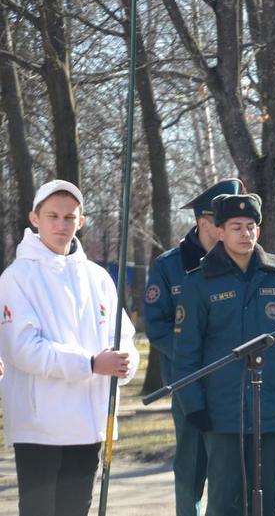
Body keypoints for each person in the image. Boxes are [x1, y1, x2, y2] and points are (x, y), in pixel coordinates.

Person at [0, 179, 140, 516]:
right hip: (39, 424)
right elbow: (23, 350)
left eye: (69, 217)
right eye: (53, 216)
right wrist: (90, 364)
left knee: (77, 508)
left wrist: (124, 363)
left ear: (82, 221)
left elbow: (123, 337)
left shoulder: (97, 277)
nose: (61, 225)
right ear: (34, 218)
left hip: (90, 421)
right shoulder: (16, 277)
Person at [173, 193, 275, 516]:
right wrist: (194, 406)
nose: (245, 233)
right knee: (224, 500)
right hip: (222, 413)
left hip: (270, 409)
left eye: (251, 227)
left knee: (265, 500)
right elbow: (186, 354)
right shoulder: (199, 284)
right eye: (236, 227)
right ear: (219, 231)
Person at [144, 177, 244, 516]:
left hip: (235, 386)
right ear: (205, 223)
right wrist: (194, 355)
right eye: (224, 221)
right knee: (190, 467)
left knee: (231, 469)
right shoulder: (170, 266)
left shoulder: (243, 265)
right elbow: (156, 325)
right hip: (190, 385)